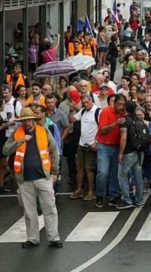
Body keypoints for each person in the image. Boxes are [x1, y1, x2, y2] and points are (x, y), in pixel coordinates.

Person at [2, 107, 62, 249]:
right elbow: (5, 150)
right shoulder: (17, 134)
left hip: (44, 177)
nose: (27, 122)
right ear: (21, 121)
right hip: (24, 179)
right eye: (24, 120)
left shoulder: (43, 131)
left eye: (29, 120)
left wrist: (54, 173)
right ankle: (33, 238)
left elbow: (54, 151)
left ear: (33, 120)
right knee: (29, 211)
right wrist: (22, 140)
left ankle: (54, 238)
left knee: (49, 208)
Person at [94, 94, 127, 208]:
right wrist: (116, 123)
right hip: (104, 145)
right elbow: (102, 130)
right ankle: (100, 195)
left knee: (114, 173)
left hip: (117, 145)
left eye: (123, 104)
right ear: (114, 103)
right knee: (103, 172)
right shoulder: (106, 112)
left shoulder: (124, 113)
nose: (121, 106)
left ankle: (113, 196)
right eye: (119, 104)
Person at [69, 94, 100, 201]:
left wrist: (96, 142)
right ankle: (79, 190)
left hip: (91, 145)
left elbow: (101, 127)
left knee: (89, 168)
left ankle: (91, 191)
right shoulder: (82, 111)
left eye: (87, 102)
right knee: (79, 168)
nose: (85, 104)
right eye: (83, 103)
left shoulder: (98, 111)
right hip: (82, 144)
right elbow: (72, 120)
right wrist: (72, 109)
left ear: (91, 101)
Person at [117, 102, 145, 209]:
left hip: (128, 152)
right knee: (138, 177)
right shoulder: (138, 120)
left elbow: (123, 137)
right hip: (138, 152)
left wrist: (120, 153)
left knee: (122, 175)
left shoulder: (125, 121)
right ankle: (139, 199)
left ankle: (126, 200)